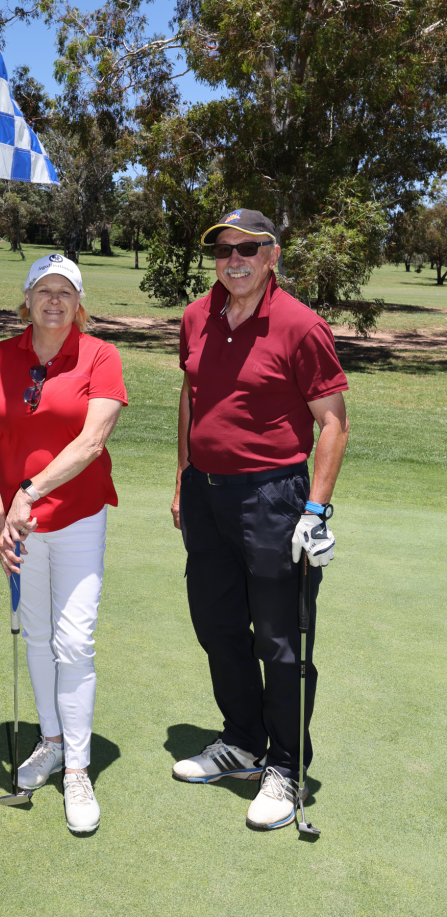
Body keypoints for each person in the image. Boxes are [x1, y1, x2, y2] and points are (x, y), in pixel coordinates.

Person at [170, 209, 349, 830]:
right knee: (218, 625)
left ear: (272, 255)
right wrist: (181, 481)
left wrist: (316, 511)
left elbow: (333, 423)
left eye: (248, 248)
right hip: (205, 493)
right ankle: (242, 742)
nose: (234, 259)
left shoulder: (301, 325)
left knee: (281, 640)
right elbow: (192, 399)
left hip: (275, 497)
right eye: (223, 249)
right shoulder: (197, 315)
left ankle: (286, 765)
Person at [0, 254, 127, 833]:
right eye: (45, 291)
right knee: (35, 633)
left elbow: (92, 442)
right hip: (18, 525)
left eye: (66, 292)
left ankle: (79, 770)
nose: (55, 301)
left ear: (79, 302)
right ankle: (51, 739)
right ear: (28, 299)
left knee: (75, 640)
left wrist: (28, 493)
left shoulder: (100, 356)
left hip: (78, 517)